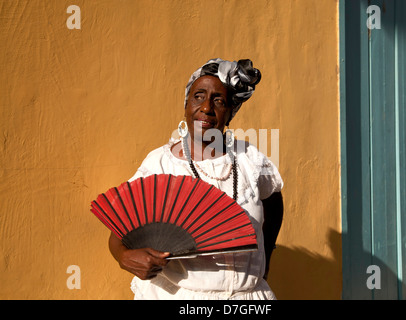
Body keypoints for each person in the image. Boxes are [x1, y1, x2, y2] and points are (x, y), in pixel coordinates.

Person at [108, 58, 284, 300]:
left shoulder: (250, 159)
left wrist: (266, 259)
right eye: (198, 96)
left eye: (219, 101)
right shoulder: (160, 163)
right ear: (186, 106)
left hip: (248, 298)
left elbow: (273, 200)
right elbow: (120, 229)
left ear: (230, 113)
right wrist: (124, 257)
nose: (206, 108)